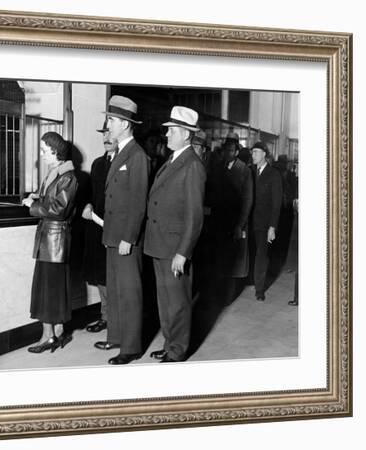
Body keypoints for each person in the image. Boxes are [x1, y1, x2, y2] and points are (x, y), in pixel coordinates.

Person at [144, 106, 206, 363]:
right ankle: (170, 343)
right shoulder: (173, 160)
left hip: (174, 247)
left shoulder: (192, 165)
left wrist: (183, 252)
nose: (166, 135)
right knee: (165, 301)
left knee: (178, 302)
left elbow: (195, 216)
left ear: (185, 134)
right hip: (160, 243)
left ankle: (177, 350)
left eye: (171, 131)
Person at [94, 95, 150, 365]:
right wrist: (110, 236)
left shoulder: (137, 155)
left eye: (112, 120)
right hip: (113, 236)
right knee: (115, 291)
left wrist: (129, 237)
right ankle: (115, 336)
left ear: (126, 124)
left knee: (129, 293)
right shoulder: (120, 153)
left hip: (127, 238)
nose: (108, 125)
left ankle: (131, 346)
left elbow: (138, 201)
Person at [22, 132, 79, 353]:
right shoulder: (57, 174)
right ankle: (58, 332)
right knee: (51, 289)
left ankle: (49, 337)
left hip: (55, 241)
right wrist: (36, 197)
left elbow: (58, 209)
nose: (42, 155)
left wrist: (32, 207)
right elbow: (51, 199)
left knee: (48, 290)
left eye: (45, 151)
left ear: (56, 152)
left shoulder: (68, 177)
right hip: (50, 241)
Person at [81, 121, 118, 333]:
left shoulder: (126, 162)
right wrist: (88, 204)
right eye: (104, 132)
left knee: (114, 276)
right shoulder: (97, 164)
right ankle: (106, 316)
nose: (106, 137)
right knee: (102, 276)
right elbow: (91, 195)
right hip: (96, 226)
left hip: (115, 228)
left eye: (110, 133)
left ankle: (116, 319)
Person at [210, 138, 253, 305]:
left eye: (231, 150)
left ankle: (228, 297)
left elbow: (248, 200)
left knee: (233, 262)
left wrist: (240, 225)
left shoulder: (244, 170)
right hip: (219, 222)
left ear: (236, 152)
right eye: (225, 150)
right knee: (219, 259)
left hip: (235, 223)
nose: (227, 153)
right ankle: (219, 294)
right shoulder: (218, 168)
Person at [250, 141, 283, 301]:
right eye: (252, 152)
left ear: (264, 154)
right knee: (251, 254)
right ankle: (252, 280)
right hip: (250, 222)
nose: (253, 155)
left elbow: (276, 204)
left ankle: (259, 289)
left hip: (264, 223)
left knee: (261, 256)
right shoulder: (250, 171)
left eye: (256, 152)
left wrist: (272, 227)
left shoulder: (273, 174)